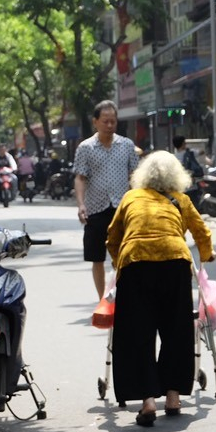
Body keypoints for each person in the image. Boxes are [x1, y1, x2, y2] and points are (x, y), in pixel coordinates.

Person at [105, 151, 216, 426]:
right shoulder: (181, 199)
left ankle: (147, 401)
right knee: (176, 329)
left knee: (138, 332)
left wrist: (120, 262)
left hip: (136, 263)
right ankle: (174, 396)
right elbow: (202, 232)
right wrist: (207, 254)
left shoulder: (130, 198)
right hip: (174, 262)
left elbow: (112, 236)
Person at [74, 100, 140, 299]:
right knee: (97, 258)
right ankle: (102, 298)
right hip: (96, 208)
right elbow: (80, 177)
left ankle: (124, 295)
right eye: (105, 121)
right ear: (95, 122)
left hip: (123, 209)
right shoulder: (86, 148)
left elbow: (135, 176)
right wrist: (81, 204)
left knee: (124, 255)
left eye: (113, 121)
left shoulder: (127, 145)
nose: (110, 125)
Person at [173, 135, 205, 207]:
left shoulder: (174, 157)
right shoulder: (190, 153)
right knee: (193, 205)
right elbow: (202, 152)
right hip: (191, 184)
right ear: (183, 144)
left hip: (180, 187)